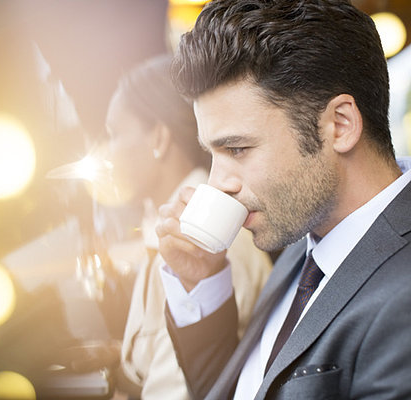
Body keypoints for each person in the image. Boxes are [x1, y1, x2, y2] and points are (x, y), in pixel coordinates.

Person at [156, 0, 411, 399]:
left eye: (237, 149)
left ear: (339, 125)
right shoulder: (303, 246)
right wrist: (204, 283)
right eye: (212, 154)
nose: (217, 183)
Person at [104, 54, 272, 399]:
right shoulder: (169, 228)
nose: (106, 153)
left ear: (159, 139)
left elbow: (184, 388)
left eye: (115, 134)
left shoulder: (208, 236)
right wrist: (121, 357)